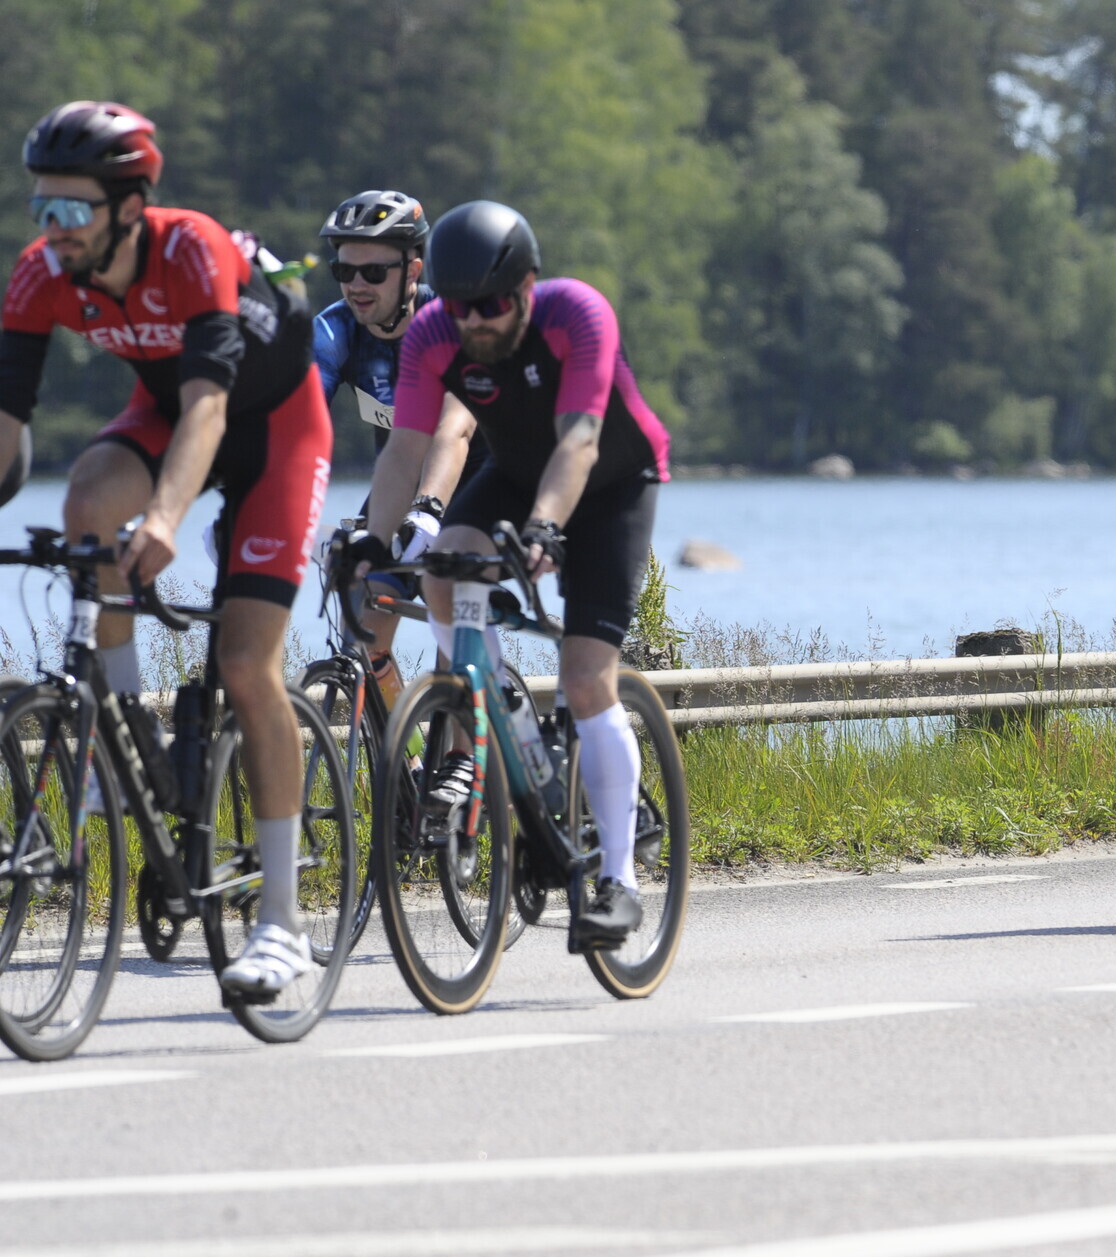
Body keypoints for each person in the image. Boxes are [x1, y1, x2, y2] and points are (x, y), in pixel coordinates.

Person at [0, 102, 332, 996]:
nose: (52, 228)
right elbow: (5, 428)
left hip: (273, 427)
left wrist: (165, 519)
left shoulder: (192, 249)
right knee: (85, 498)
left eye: (71, 209)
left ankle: (282, 923)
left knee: (246, 662)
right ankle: (125, 729)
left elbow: (210, 408)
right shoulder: (40, 275)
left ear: (128, 206)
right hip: (163, 412)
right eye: (41, 207)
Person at [358, 201, 669, 944]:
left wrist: (545, 527)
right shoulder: (433, 333)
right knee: (441, 574)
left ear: (527, 286)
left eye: (491, 307)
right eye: (459, 306)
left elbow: (581, 441)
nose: (474, 323)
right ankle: (492, 701)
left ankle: (619, 883)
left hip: (611, 483)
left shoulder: (576, 313)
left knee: (586, 676)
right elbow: (405, 450)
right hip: (517, 473)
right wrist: (370, 542)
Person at [313, 188, 479, 703]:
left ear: (412, 271)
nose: (356, 285)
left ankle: (461, 744)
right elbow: (299, 426)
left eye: (373, 272)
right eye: (345, 271)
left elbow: (455, 429)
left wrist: (428, 510)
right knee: (366, 622)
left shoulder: (448, 322)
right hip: (402, 476)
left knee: (453, 624)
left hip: (476, 477)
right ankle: (402, 751)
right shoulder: (336, 331)